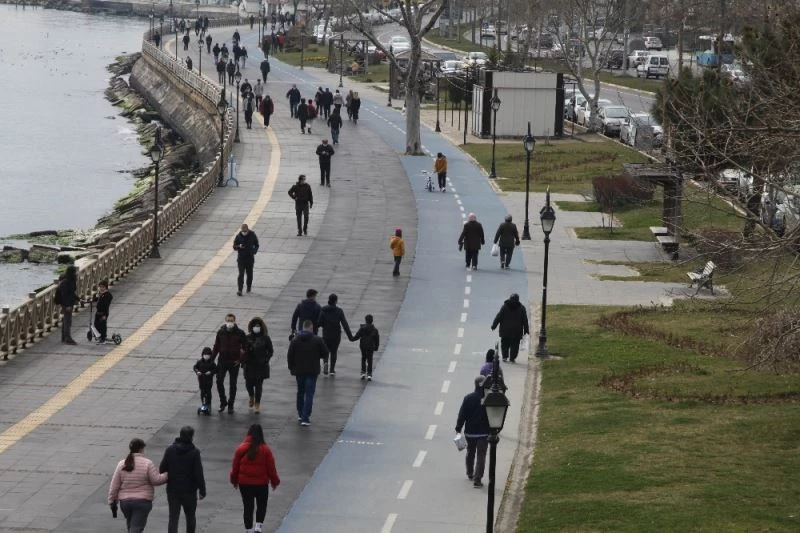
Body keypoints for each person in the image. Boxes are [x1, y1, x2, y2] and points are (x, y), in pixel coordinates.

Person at [108, 438, 168, 533]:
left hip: (125, 502)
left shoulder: (122, 464)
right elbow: (156, 480)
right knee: (136, 528)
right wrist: (167, 475)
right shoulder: (147, 463)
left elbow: (114, 485)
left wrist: (112, 500)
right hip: (142, 501)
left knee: (131, 525)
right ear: (141, 449)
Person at [230, 424, 281, 533]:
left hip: (245, 484)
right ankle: (258, 527)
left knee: (248, 506)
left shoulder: (241, 448)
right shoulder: (265, 449)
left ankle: (249, 530)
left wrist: (234, 480)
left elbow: (235, 467)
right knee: (262, 505)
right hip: (261, 483)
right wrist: (275, 481)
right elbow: (271, 468)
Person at [159, 426, 206, 533]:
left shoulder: (170, 450)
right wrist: (202, 490)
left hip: (173, 489)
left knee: (173, 518)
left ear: (180, 435)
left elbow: (162, 468)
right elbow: (198, 473)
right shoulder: (194, 452)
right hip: (189, 490)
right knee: (190, 516)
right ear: (192, 437)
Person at [287, 320, 329, 426]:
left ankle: (300, 413)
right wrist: (318, 355)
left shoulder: (295, 340)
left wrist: (291, 367)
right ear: (311, 328)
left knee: (300, 392)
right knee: (309, 394)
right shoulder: (317, 340)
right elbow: (325, 353)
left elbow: (290, 355)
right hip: (312, 371)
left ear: (303, 327)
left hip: (299, 371)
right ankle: (305, 418)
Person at [455, 377, 491, 488]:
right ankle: (477, 479)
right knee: (481, 455)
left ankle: (470, 473)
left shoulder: (468, 398)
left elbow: (462, 415)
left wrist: (458, 428)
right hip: (483, 433)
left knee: (470, 452)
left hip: (470, 432)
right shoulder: (488, 399)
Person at [213, 313, 247, 413]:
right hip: (222, 361)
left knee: (233, 384)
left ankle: (231, 405)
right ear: (225, 321)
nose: (230, 322)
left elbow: (245, 348)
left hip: (234, 363)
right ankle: (223, 402)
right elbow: (216, 346)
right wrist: (212, 359)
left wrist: (240, 360)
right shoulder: (221, 332)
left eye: (231, 321)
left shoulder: (240, 333)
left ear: (235, 321)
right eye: (228, 321)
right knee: (219, 381)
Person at [317, 294, 353, 376]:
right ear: (336, 301)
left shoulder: (323, 310)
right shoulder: (339, 311)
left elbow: (319, 323)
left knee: (326, 350)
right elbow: (345, 324)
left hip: (326, 334)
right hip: (336, 335)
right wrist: (350, 337)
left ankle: (325, 362)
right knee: (334, 351)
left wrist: (324, 325)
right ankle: (332, 370)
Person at [244, 317, 273, 414]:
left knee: (258, 386)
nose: (256, 328)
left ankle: (257, 404)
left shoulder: (265, 338)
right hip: (249, 365)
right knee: (248, 384)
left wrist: (265, 359)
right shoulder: (247, 338)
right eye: (254, 326)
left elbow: (270, 351)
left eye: (258, 326)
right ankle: (251, 396)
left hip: (260, 365)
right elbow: (243, 350)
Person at [490, 293, 530, 362]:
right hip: (517, 331)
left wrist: (494, 325)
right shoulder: (521, 308)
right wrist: (526, 330)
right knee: (515, 345)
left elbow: (498, 317)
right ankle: (512, 358)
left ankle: (505, 356)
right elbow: (525, 320)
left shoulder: (504, 307)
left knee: (505, 344)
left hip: (505, 331)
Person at [352, 314, 380, 381]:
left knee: (363, 358)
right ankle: (369, 374)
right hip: (371, 346)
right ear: (372, 321)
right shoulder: (375, 330)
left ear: (366, 320)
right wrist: (376, 347)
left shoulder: (362, 329)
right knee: (370, 359)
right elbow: (377, 339)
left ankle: (363, 372)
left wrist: (352, 339)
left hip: (363, 345)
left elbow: (357, 336)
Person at [234, 223, 259, 296]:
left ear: (247, 229)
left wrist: (253, 251)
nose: (243, 232)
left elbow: (256, 244)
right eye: (242, 231)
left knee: (249, 273)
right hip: (241, 258)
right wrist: (239, 246)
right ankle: (240, 290)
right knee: (241, 274)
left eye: (245, 231)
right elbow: (234, 246)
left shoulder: (252, 235)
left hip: (250, 258)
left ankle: (248, 286)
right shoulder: (238, 236)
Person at [56, 264, 79, 345]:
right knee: (67, 321)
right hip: (66, 303)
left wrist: (78, 298)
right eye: (74, 272)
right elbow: (65, 295)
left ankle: (64, 337)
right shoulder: (65, 282)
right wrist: (68, 305)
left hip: (70, 302)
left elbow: (71, 292)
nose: (76, 273)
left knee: (67, 320)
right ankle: (67, 338)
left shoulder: (72, 280)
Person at [193, 347, 216, 415]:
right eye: (205, 354)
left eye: (208, 355)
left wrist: (210, 372)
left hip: (208, 380)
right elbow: (195, 367)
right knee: (202, 392)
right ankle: (203, 404)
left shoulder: (212, 363)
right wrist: (197, 372)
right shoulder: (200, 362)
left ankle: (208, 404)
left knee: (208, 392)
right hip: (201, 380)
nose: (206, 356)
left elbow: (216, 369)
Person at [92, 278, 113, 344]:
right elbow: (96, 299)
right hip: (98, 312)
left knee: (103, 326)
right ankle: (99, 337)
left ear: (106, 287)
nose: (101, 288)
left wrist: (105, 315)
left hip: (103, 313)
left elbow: (106, 306)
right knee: (96, 325)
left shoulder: (107, 295)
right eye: (100, 287)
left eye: (103, 287)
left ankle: (103, 338)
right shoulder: (100, 294)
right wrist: (95, 297)